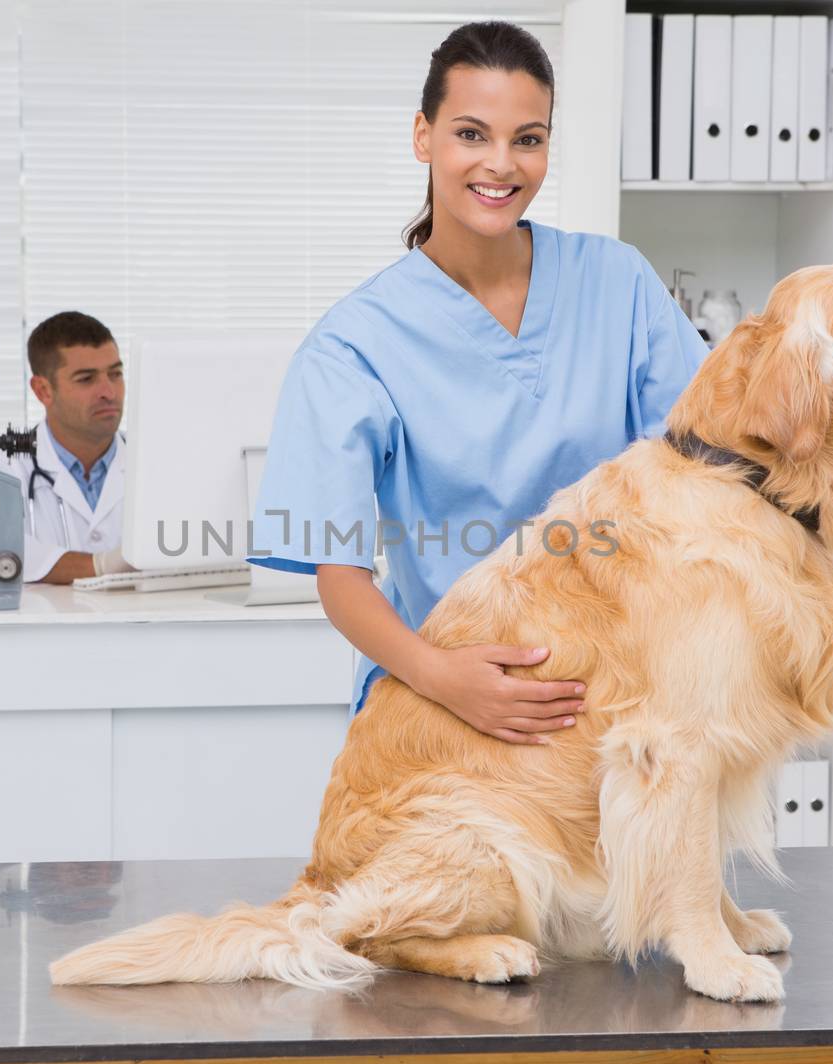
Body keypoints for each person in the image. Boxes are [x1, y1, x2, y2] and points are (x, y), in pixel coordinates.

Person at [246, 21, 708, 744]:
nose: (501, 164)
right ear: (423, 137)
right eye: (471, 134)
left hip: (619, 694)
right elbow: (339, 576)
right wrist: (444, 678)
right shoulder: (352, 345)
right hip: (443, 700)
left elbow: (702, 465)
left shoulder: (618, 284)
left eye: (528, 138)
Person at [0, 311, 137, 584]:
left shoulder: (159, 462)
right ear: (43, 390)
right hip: (45, 627)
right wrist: (100, 565)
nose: (109, 391)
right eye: (86, 379)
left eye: (115, 374)